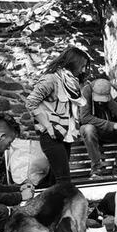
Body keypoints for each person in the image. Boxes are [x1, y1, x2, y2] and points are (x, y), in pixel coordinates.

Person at [25, 46, 91, 185]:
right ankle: (65, 206)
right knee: (64, 181)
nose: (84, 70)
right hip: (51, 136)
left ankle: (41, 200)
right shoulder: (51, 80)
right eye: (82, 66)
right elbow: (31, 103)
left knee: (54, 180)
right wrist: (48, 126)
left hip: (65, 135)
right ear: (72, 63)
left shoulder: (72, 83)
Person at [79, 77, 117, 177]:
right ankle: (97, 167)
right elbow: (85, 118)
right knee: (88, 129)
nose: (100, 102)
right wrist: (113, 125)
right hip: (95, 131)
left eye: (102, 99)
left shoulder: (115, 91)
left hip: (111, 131)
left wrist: (111, 102)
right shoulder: (87, 91)